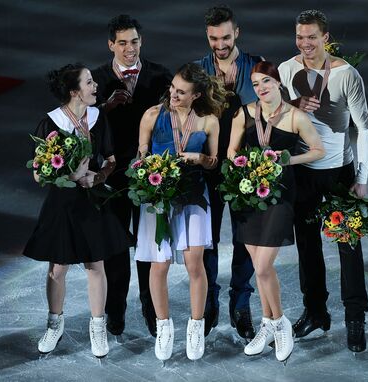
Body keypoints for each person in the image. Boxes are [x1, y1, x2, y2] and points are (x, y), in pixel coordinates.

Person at [278, 10, 368, 352]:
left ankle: (355, 317)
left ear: (325, 37)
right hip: (303, 173)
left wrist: (361, 178)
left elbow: (364, 127)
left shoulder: (347, 75)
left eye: (312, 37)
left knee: (348, 245)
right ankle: (316, 312)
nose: (305, 44)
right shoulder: (286, 70)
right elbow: (275, 113)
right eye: (300, 37)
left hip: (339, 174)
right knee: (307, 246)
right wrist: (292, 103)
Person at [23, 63, 132, 358]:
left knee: (95, 265)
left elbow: (110, 160)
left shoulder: (97, 118)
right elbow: (37, 174)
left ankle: (97, 327)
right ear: (75, 92)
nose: (96, 86)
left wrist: (98, 176)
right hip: (62, 203)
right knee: (57, 269)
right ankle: (54, 324)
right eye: (89, 82)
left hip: (91, 200)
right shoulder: (51, 123)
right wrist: (68, 177)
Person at [228, 61, 324, 361]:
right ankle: (268, 324)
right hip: (249, 196)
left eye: (267, 81)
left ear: (279, 83)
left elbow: (318, 150)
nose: (261, 88)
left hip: (279, 196)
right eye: (256, 84)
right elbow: (231, 151)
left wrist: (288, 160)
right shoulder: (244, 114)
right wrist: (242, 165)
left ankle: (280, 323)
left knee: (262, 267)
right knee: (259, 267)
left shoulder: (295, 116)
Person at [134, 63, 226, 361]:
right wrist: (147, 168)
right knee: (158, 266)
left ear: (196, 94)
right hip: (159, 196)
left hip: (193, 195)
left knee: (194, 263)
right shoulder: (152, 114)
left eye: (181, 92)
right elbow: (141, 154)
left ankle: (196, 327)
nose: (173, 95)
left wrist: (200, 158)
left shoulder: (209, 120)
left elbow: (214, 161)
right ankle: (164, 327)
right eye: (173, 88)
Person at [92, 14, 173, 337]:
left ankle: (151, 309)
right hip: (111, 175)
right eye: (122, 43)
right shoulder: (96, 80)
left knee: (148, 246)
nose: (129, 49)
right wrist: (105, 107)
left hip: (149, 175)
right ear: (111, 44)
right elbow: (82, 127)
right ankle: (115, 310)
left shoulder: (159, 75)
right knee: (114, 246)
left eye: (134, 42)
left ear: (142, 42)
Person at [195, 5, 264, 340]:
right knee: (207, 240)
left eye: (225, 36)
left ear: (237, 32)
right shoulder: (197, 71)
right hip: (208, 171)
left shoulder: (258, 67)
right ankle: (209, 303)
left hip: (245, 171)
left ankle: (241, 304)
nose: (219, 44)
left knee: (244, 240)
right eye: (213, 37)